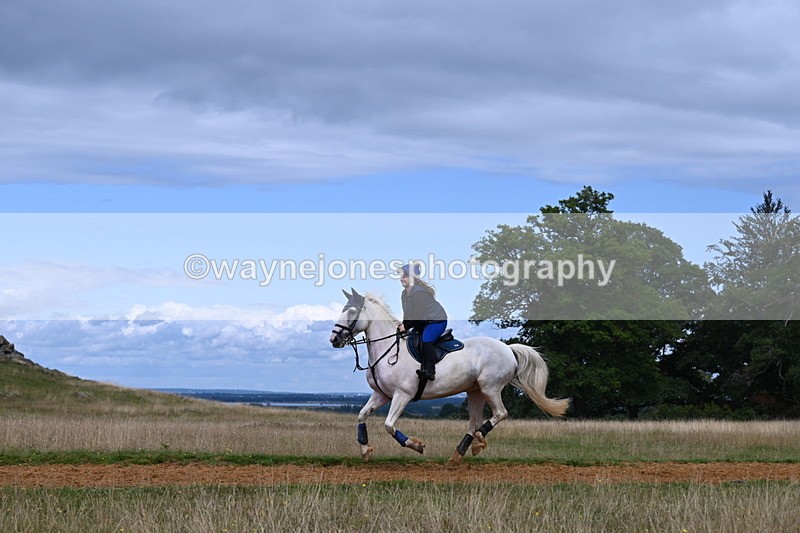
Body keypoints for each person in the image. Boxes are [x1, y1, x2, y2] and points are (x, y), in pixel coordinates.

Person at [396, 263, 447, 381]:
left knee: (426, 339)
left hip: (436, 321)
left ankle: (430, 371)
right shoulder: (404, 294)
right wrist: (404, 326)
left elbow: (417, 314)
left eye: (404, 276)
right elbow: (408, 314)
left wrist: (407, 326)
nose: (401, 279)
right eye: (401, 276)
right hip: (422, 322)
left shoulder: (419, 292)